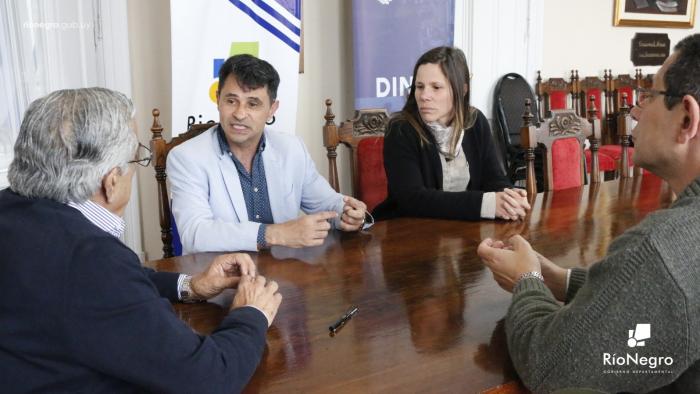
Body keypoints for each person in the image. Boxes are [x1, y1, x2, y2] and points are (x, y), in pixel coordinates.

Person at [0, 88, 282, 393]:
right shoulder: (90, 259)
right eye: (137, 160)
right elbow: (208, 378)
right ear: (111, 181)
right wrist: (250, 315)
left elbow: (110, 285)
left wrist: (191, 285)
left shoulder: (12, 208)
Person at [477, 34, 700, 393]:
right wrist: (556, 278)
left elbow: (552, 366)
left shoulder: (663, 249)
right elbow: (638, 297)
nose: (634, 112)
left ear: (687, 118)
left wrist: (526, 283)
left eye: (649, 97)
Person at [168, 54, 367, 254]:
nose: (239, 113)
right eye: (231, 101)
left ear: (272, 109)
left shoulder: (291, 148)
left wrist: (346, 213)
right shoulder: (186, 157)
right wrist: (274, 234)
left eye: (252, 104)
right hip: (219, 277)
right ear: (218, 99)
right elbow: (195, 234)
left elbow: (326, 203)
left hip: (284, 273)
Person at [372, 46, 531, 221]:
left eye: (436, 87)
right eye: (419, 86)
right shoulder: (400, 129)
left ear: (462, 90)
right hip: (410, 233)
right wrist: (486, 204)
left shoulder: (476, 121)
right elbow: (412, 199)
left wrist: (508, 197)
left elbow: (494, 178)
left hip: (463, 232)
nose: (424, 95)